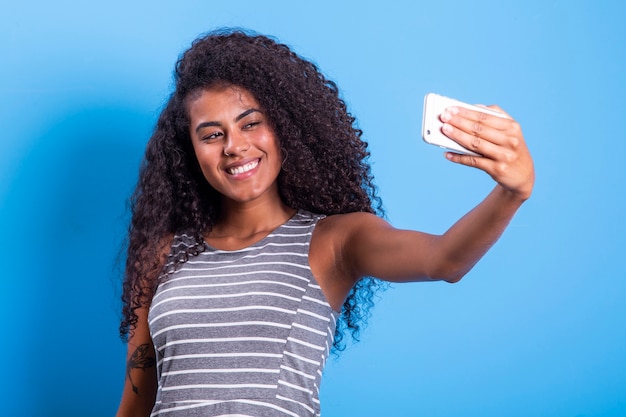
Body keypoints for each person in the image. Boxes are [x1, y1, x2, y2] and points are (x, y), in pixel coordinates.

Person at [115, 28, 534, 417]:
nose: (235, 147)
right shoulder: (163, 254)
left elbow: (443, 260)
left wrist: (510, 192)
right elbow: (136, 402)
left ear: (285, 128)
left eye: (251, 123)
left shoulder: (334, 240)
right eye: (212, 135)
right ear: (191, 151)